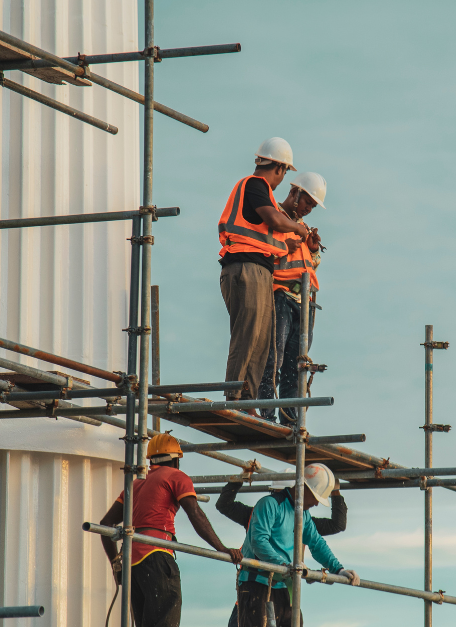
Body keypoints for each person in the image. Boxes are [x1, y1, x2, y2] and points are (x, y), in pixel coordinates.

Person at [99, 433, 243, 627]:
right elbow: (195, 513)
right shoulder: (176, 477)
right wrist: (221, 548)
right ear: (176, 460)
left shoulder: (134, 485)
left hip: (132, 563)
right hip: (157, 555)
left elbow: (105, 524)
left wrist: (116, 563)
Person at [218, 138, 310, 409]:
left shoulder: (260, 191)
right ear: (280, 168)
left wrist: (286, 244)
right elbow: (273, 219)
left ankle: (248, 402)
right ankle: (234, 398)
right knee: (247, 336)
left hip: (257, 270)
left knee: (260, 343)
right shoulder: (255, 185)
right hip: (245, 269)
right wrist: (298, 228)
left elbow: (263, 235)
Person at [235, 464, 360, 627]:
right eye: (316, 497)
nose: (316, 503)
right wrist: (284, 566)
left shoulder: (303, 514)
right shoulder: (269, 504)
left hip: (284, 587)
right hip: (257, 585)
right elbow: (259, 542)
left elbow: (316, 543)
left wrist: (338, 569)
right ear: (304, 488)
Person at [258, 172, 327, 424]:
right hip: (280, 296)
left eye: (312, 205)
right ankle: (266, 414)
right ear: (294, 193)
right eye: (307, 201)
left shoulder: (303, 228)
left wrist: (314, 249)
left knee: (295, 366)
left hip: (304, 302)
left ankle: (290, 419)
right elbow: (264, 251)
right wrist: (288, 247)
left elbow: (310, 265)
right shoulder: (273, 215)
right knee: (273, 357)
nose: (309, 208)